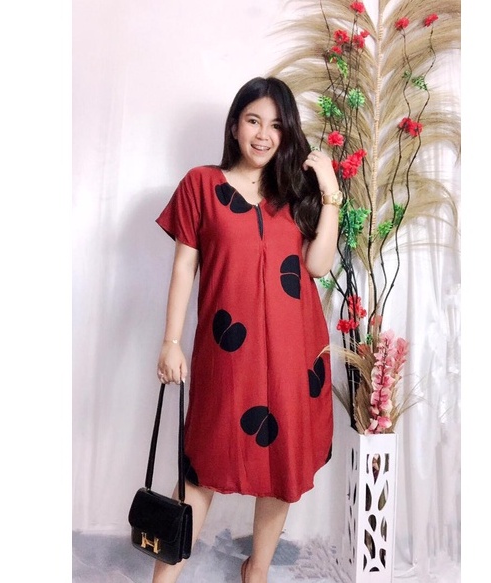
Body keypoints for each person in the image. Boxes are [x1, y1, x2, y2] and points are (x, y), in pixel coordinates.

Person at [153, 76, 341, 583]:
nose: (263, 134)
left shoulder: (294, 193)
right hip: (226, 353)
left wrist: (330, 194)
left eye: (275, 125)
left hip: (292, 353)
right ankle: (164, 579)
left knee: (282, 468)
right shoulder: (201, 185)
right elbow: (184, 267)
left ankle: (255, 571)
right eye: (253, 120)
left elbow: (318, 266)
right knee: (201, 467)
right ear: (235, 125)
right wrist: (171, 341)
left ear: (287, 133)